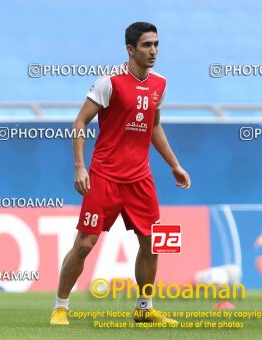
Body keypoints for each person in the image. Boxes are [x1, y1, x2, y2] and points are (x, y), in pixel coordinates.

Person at [50, 22, 191, 326]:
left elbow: (154, 127)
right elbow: (79, 123)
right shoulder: (109, 82)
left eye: (156, 44)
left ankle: (144, 308)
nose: (153, 51)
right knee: (85, 244)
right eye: (146, 45)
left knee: (152, 242)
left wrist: (174, 164)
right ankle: (60, 306)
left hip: (140, 179)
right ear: (130, 49)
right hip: (105, 177)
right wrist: (80, 167)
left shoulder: (160, 85)